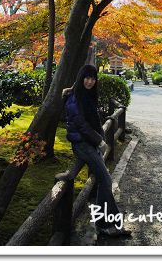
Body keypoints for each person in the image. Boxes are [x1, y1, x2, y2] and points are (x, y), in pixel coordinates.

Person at [62, 64, 131, 237]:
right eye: (87, 77)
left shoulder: (88, 95)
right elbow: (81, 125)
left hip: (90, 144)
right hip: (82, 145)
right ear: (81, 77)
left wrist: (98, 138)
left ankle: (108, 224)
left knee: (103, 181)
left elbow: (93, 120)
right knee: (106, 180)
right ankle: (108, 225)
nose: (90, 81)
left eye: (93, 78)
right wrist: (99, 140)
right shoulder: (73, 97)